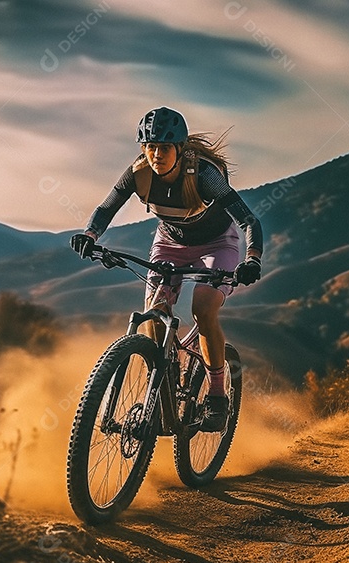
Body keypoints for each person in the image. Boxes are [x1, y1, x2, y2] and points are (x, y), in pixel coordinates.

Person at [69, 106, 263, 432]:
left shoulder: (204, 176)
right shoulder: (138, 172)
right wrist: (90, 235)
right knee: (154, 315)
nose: (156, 154)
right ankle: (163, 388)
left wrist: (253, 258)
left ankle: (217, 396)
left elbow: (248, 219)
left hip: (217, 245)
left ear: (179, 149)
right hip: (168, 244)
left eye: (164, 147)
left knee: (203, 308)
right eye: (150, 147)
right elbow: (106, 209)